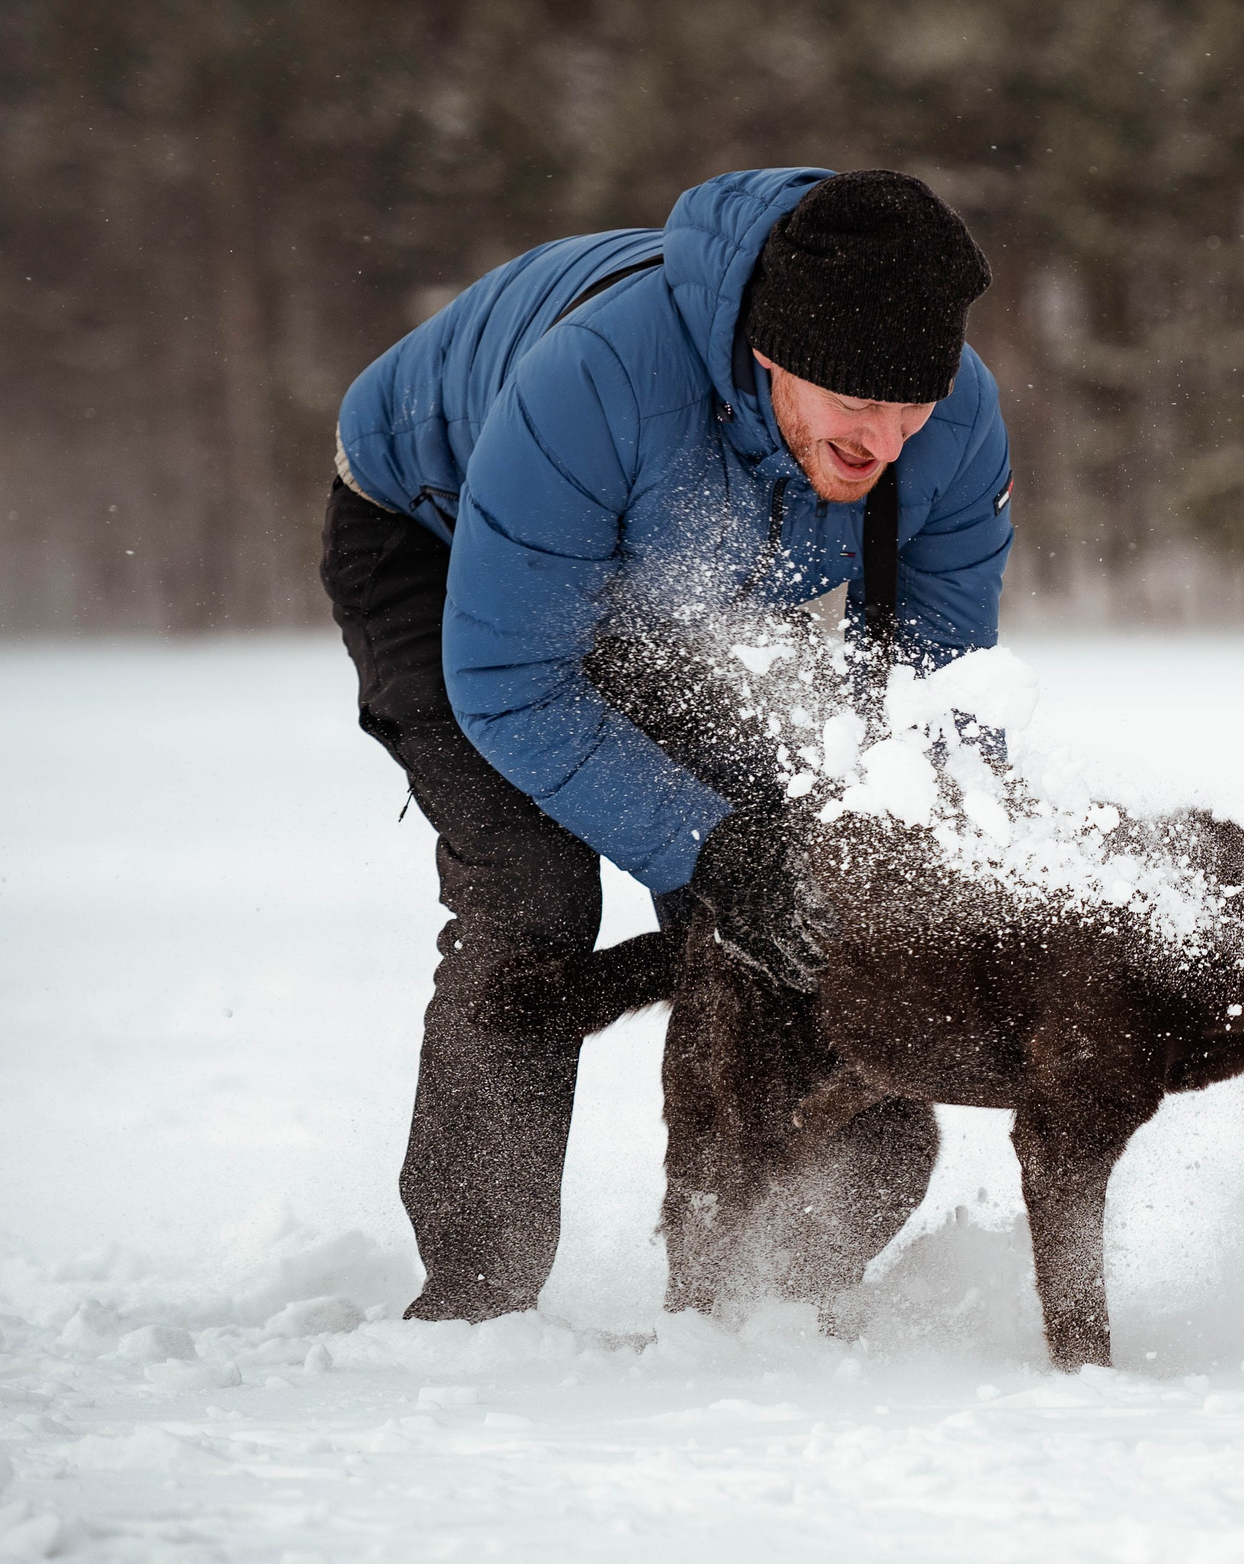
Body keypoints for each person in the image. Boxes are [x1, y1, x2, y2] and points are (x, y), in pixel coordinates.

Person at [320, 167, 1011, 1323]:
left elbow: (935, 697)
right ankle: (475, 1295)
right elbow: (510, 680)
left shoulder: (952, 429)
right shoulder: (596, 381)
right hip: (436, 550)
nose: (883, 440)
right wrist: (706, 847)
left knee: (808, 873)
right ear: (773, 355)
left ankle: (768, 1264)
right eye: (854, 403)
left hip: (678, 587)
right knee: (532, 896)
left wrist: (917, 863)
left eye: (911, 408)